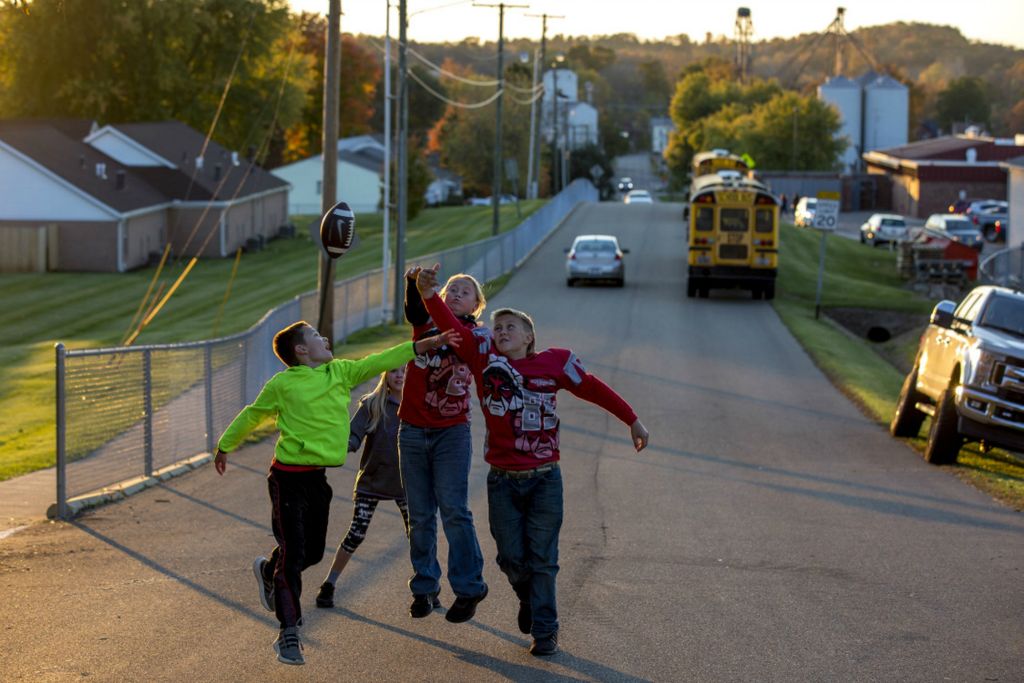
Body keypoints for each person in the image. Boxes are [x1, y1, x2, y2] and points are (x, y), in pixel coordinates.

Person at [414, 265, 650, 657]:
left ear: (529, 337)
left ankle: (545, 630)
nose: (502, 331)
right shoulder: (480, 357)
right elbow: (443, 318)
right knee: (511, 558)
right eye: (498, 326)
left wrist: (633, 420)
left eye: (510, 327)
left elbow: (592, 388)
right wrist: (427, 294)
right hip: (502, 480)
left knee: (543, 558)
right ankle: (528, 598)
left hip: (544, 479)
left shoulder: (554, 363)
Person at [214, 320, 457, 666]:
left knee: (312, 553)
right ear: (301, 350)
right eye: (315, 336)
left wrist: (421, 345)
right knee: (294, 554)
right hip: (286, 479)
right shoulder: (282, 384)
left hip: (317, 480)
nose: (324, 337)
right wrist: (225, 445)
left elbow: (380, 360)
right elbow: (254, 415)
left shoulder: (339, 372)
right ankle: (289, 633)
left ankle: (269, 571)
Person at [397, 268, 489, 622]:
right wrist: (412, 284)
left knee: (453, 509)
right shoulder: (425, 327)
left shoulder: (476, 335)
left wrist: (431, 295)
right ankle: (425, 587)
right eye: (451, 288)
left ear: (477, 304)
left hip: (451, 432)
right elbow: (417, 313)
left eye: (465, 291)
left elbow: (458, 333)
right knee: (420, 515)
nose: (455, 293)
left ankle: (469, 586)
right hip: (413, 429)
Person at [314, 366, 410, 610]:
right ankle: (329, 584)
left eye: (405, 371)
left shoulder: (416, 405)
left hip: (406, 484)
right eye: (394, 371)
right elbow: (353, 436)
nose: (399, 376)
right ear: (385, 375)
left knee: (418, 535)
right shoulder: (372, 404)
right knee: (356, 533)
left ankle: (427, 587)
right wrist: (340, 445)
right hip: (372, 481)